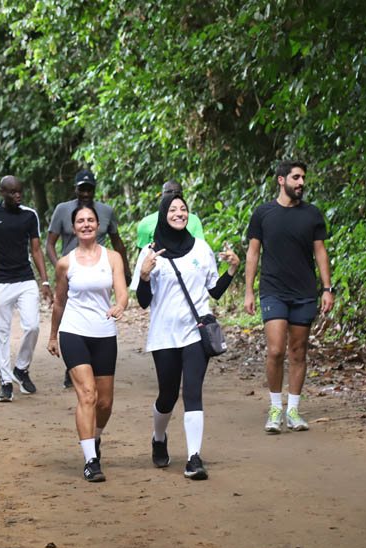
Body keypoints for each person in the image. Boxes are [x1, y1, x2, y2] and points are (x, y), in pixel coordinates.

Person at [131, 193, 239, 480]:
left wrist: (232, 270)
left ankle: (193, 458)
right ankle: (158, 436)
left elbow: (213, 291)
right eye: (173, 209)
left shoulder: (201, 249)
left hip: (195, 332)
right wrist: (143, 276)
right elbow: (143, 301)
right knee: (167, 395)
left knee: (192, 392)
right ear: (164, 214)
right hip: (164, 335)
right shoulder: (150, 252)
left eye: (184, 209)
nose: (179, 213)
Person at [244, 160, 334, 434]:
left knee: (298, 351)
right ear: (281, 180)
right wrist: (248, 290)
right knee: (275, 350)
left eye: (303, 178)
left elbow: (320, 252)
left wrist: (327, 289)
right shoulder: (263, 213)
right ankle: (275, 407)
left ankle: (293, 409)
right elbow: (253, 253)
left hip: (304, 292)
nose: (301, 182)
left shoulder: (312, 214)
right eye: (296, 177)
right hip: (273, 290)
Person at [47, 202, 128, 482]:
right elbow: (59, 301)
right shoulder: (65, 263)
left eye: (90, 220)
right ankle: (90, 460)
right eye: (80, 221)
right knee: (88, 395)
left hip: (104, 333)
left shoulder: (113, 257)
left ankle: (95, 438)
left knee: (105, 403)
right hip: (74, 332)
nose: (85, 224)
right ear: (73, 227)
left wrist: (120, 305)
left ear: (98, 225)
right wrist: (53, 335)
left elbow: (122, 291)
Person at [46, 169, 130, 388]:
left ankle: (86, 363)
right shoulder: (62, 210)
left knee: (103, 401)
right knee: (69, 310)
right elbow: (49, 243)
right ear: (75, 189)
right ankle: (74, 364)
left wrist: (125, 268)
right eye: (81, 188)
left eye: (89, 188)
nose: (85, 192)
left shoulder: (106, 211)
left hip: (99, 270)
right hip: (72, 273)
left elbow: (117, 240)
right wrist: (61, 268)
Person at [0, 176, 53, 402]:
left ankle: (21, 368)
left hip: (25, 278)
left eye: (20, 191)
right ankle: (6, 382)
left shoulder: (30, 215)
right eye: (12, 192)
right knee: (2, 333)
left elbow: (36, 250)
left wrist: (45, 281)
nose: (17, 195)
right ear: (2, 193)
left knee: (33, 326)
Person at [135, 181, 205, 248]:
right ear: (161, 196)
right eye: (169, 192)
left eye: (177, 192)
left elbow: (200, 247)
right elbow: (143, 255)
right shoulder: (146, 223)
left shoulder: (193, 220)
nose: (173, 194)